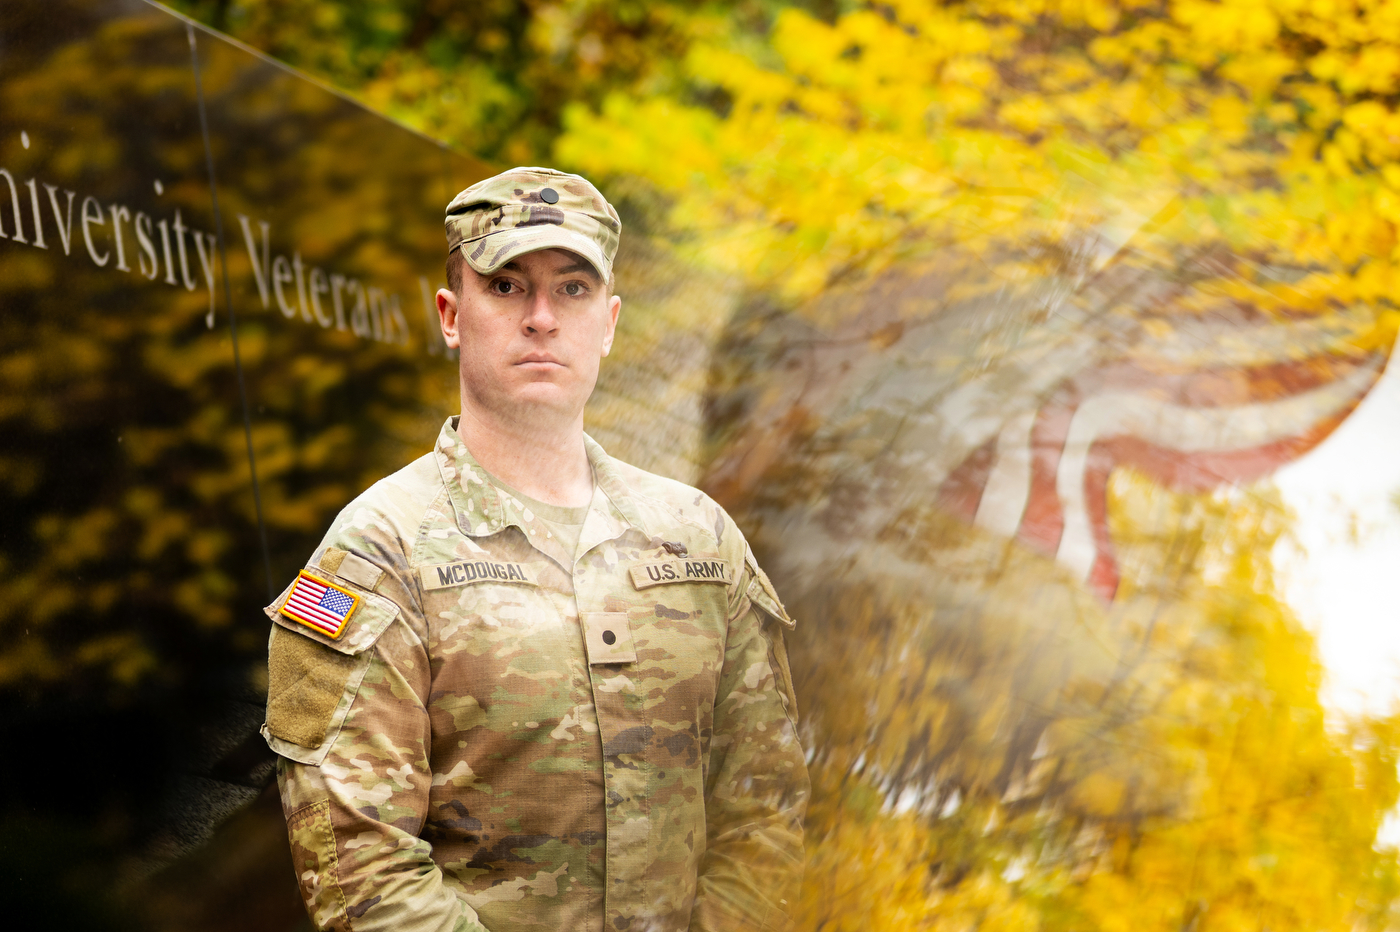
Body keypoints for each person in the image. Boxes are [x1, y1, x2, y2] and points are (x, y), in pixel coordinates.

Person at [260, 166, 809, 932]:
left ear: (609, 323)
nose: (543, 317)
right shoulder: (377, 551)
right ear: (453, 315)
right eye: (509, 287)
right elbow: (360, 865)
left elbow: (767, 806)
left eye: (573, 290)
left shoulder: (700, 538)